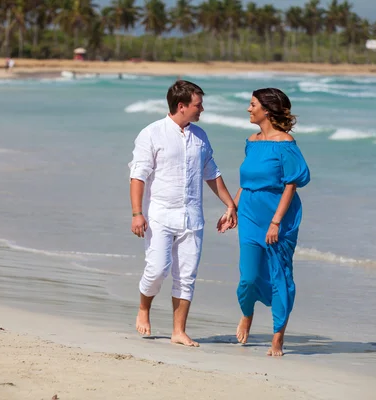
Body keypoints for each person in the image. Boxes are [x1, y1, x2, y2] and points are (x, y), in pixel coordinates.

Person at [129, 80, 238, 347]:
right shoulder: (151, 133)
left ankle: (178, 331)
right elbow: (138, 176)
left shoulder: (200, 137)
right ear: (182, 106)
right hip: (160, 215)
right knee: (156, 269)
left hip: (192, 217)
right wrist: (136, 213)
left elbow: (212, 174)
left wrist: (230, 205)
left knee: (186, 275)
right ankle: (144, 308)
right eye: (198, 105)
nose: (202, 110)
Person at [231, 88, 310, 356]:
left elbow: (292, 184)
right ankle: (247, 313)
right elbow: (246, 181)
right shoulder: (252, 141)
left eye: (252, 104)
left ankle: (278, 337)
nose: (248, 109)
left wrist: (276, 222)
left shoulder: (286, 144)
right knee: (248, 277)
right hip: (249, 215)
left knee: (280, 275)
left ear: (267, 109)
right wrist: (232, 208)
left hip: (279, 218)